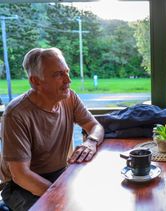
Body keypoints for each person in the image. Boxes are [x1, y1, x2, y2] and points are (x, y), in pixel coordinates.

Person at [0, 47, 104, 211]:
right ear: (36, 81)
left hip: (59, 174)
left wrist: (91, 142)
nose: (68, 80)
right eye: (58, 74)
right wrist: (59, 193)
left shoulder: (69, 97)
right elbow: (20, 175)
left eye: (67, 72)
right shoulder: (16, 114)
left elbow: (95, 126)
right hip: (20, 187)